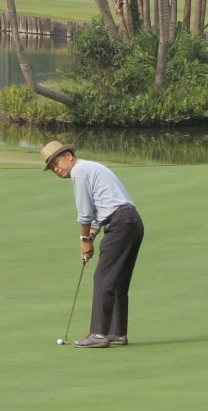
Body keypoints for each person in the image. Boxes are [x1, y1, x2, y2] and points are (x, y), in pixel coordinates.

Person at [41, 141, 144, 348]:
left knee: (103, 277)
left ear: (69, 155)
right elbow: (101, 206)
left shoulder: (79, 170)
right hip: (131, 221)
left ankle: (98, 334)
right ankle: (117, 333)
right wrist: (94, 233)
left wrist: (84, 241)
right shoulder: (90, 168)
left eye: (57, 163)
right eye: (52, 168)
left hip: (120, 222)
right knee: (117, 279)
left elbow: (85, 213)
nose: (56, 169)